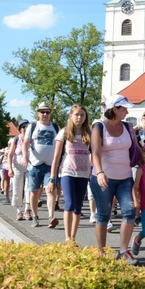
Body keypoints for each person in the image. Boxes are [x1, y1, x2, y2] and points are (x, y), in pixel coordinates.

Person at [89, 94, 140, 263]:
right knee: (103, 215)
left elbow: (137, 149)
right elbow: (95, 153)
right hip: (104, 177)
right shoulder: (99, 127)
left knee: (130, 211)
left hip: (125, 177)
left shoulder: (128, 127)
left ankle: (124, 251)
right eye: (123, 108)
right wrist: (100, 172)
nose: (126, 111)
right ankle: (101, 251)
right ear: (114, 109)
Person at [48, 104, 91, 243]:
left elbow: (96, 154)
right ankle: (67, 238)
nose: (79, 118)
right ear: (71, 116)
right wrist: (52, 178)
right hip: (67, 172)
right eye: (77, 115)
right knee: (70, 204)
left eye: (82, 115)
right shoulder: (64, 132)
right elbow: (56, 157)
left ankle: (73, 237)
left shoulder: (89, 133)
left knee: (78, 207)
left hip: (83, 173)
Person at [21, 102, 59, 228]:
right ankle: (35, 217)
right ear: (38, 113)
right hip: (35, 164)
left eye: (47, 112)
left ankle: (51, 217)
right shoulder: (32, 126)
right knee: (34, 192)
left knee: (50, 190)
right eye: (42, 112)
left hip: (50, 165)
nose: (45, 114)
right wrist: (25, 157)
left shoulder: (55, 127)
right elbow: (26, 143)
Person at [7, 120, 30, 220]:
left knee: (29, 188)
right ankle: (19, 211)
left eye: (27, 127)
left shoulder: (32, 139)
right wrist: (10, 169)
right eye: (24, 127)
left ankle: (27, 209)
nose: (25, 128)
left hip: (30, 166)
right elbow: (10, 155)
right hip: (18, 166)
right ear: (20, 128)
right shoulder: (16, 139)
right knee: (17, 188)